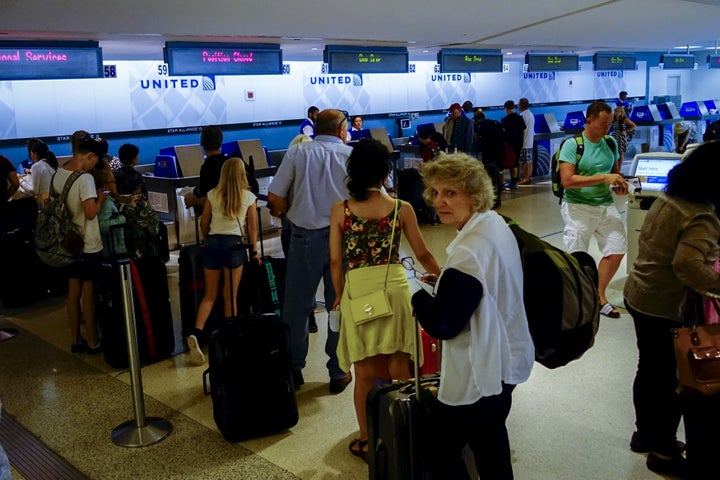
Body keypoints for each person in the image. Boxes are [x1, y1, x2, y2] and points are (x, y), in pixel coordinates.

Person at [411, 152, 534, 479]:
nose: (440, 201)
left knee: (439, 449)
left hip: (481, 371)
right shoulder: (494, 224)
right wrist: (445, 284)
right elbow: (484, 286)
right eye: (436, 192)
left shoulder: (467, 251)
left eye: (451, 193)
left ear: (474, 194)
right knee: (490, 443)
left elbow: (444, 325)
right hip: (507, 359)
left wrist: (413, 293)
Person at [329, 138, 441, 460]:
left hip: (360, 291)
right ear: (384, 171)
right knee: (399, 365)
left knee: (364, 372)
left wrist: (338, 296)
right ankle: (405, 432)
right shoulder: (401, 208)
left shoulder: (342, 210)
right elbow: (422, 253)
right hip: (394, 288)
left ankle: (367, 440)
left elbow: (336, 262)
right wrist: (443, 278)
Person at [623, 141, 720, 479]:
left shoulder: (670, 197)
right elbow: (688, 265)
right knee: (673, 381)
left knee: (649, 370)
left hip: (640, 294)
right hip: (668, 306)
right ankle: (663, 454)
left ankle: (645, 435)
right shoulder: (701, 214)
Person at [267, 108, 353, 393]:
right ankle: (338, 371)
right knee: (338, 305)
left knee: (297, 306)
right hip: (342, 240)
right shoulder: (351, 156)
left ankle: (294, 369)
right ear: (341, 130)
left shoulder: (298, 153)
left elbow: (275, 196)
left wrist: (291, 212)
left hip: (304, 239)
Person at [559, 100, 628, 319]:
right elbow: (567, 180)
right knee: (577, 257)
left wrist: (617, 185)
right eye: (602, 124)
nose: (606, 128)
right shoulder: (572, 145)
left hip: (605, 205)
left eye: (609, 124)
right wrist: (603, 177)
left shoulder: (610, 143)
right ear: (588, 121)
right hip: (578, 207)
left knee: (617, 248)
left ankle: (598, 295)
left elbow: (614, 173)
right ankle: (576, 299)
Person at [186, 157, 259, 366]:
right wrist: (254, 252)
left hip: (212, 246)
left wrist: (206, 238)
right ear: (242, 175)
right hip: (234, 247)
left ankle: (197, 333)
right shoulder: (248, 197)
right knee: (230, 295)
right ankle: (229, 337)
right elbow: (252, 228)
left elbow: (204, 220)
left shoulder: (212, 194)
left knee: (209, 295)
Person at [57, 132, 110, 354]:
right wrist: (100, 199)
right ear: (89, 156)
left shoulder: (59, 173)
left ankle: (75, 340)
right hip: (87, 244)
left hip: (68, 244)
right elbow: (90, 213)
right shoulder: (84, 178)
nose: (93, 166)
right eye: (94, 161)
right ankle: (93, 342)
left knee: (72, 293)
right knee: (88, 294)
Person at [279, 134, 319, 334]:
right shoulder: (317, 176)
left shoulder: (290, 174)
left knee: (297, 277)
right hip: (318, 231)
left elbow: (277, 201)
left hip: (292, 230)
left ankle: (301, 323)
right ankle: (313, 316)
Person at [183, 125, 228, 210]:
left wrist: (193, 201)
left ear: (202, 143)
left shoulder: (208, 167)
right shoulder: (233, 163)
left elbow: (208, 199)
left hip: (218, 219)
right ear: (221, 141)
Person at [18, 141, 58, 206]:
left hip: (45, 203)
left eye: (31, 154)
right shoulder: (51, 163)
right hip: (54, 201)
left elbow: (34, 190)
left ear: (35, 154)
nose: (31, 156)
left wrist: (20, 181)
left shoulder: (37, 166)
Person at [501, 100, 526, 189]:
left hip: (509, 144)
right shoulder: (520, 118)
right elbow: (523, 131)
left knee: (505, 162)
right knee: (515, 162)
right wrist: (521, 141)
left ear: (506, 108)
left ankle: (502, 183)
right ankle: (514, 182)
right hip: (518, 143)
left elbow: (503, 132)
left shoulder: (506, 119)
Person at [611, 105, 637, 172]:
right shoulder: (613, 119)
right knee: (615, 152)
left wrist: (625, 131)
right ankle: (615, 168)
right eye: (616, 111)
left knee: (620, 153)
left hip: (621, 137)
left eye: (618, 111)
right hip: (614, 136)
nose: (617, 113)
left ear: (621, 112)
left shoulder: (624, 119)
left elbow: (633, 125)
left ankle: (619, 169)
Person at [517, 98, 535, 185]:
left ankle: (525, 178)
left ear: (521, 105)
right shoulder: (531, 114)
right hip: (529, 140)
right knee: (529, 160)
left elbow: (522, 130)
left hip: (524, 142)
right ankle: (528, 177)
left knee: (525, 161)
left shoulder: (522, 115)